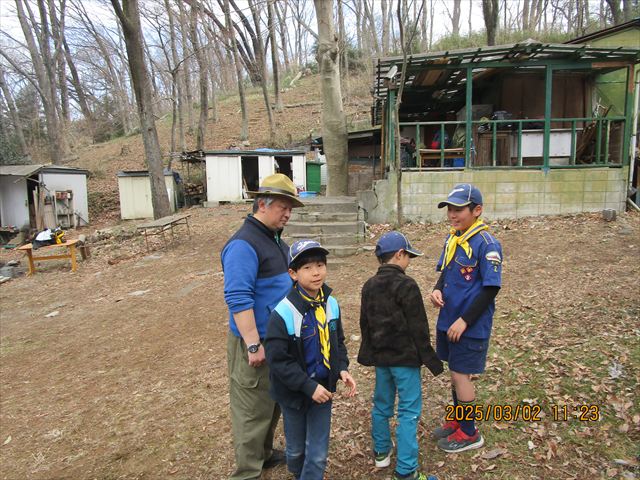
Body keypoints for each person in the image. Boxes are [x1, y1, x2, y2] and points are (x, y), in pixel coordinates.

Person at [221, 173, 305, 480]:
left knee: (271, 403)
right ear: (261, 204)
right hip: (255, 342)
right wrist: (253, 344)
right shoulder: (243, 244)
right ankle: (248, 472)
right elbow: (238, 297)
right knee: (251, 410)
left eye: (290, 208)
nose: (287, 213)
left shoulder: (273, 238)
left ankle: (265, 454)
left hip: (277, 340)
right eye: (283, 206)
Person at [264, 239, 357, 480]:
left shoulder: (331, 304)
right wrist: (307, 386)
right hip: (293, 395)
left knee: (317, 455)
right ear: (293, 274)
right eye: (307, 267)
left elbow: (337, 342)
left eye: (320, 264)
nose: (316, 272)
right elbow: (278, 361)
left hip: (322, 392)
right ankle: (297, 473)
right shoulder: (282, 313)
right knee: (295, 451)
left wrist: (341, 369)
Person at [358, 231, 443, 480]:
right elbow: (418, 326)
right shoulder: (407, 285)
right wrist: (431, 359)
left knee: (382, 405)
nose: (409, 262)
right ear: (399, 254)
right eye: (408, 256)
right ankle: (406, 470)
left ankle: (381, 452)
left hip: (382, 359)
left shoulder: (369, 285)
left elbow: (366, 323)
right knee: (408, 411)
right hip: (405, 361)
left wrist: (368, 353)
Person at [429, 184, 503, 453]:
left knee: (462, 375)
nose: (452, 214)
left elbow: (491, 288)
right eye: (449, 208)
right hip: (449, 320)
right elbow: (447, 272)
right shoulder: (454, 239)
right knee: (455, 373)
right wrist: (437, 288)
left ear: (477, 210)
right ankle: (460, 420)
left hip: (469, 325)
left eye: (458, 209)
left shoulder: (486, 244)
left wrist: (465, 320)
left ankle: (470, 433)